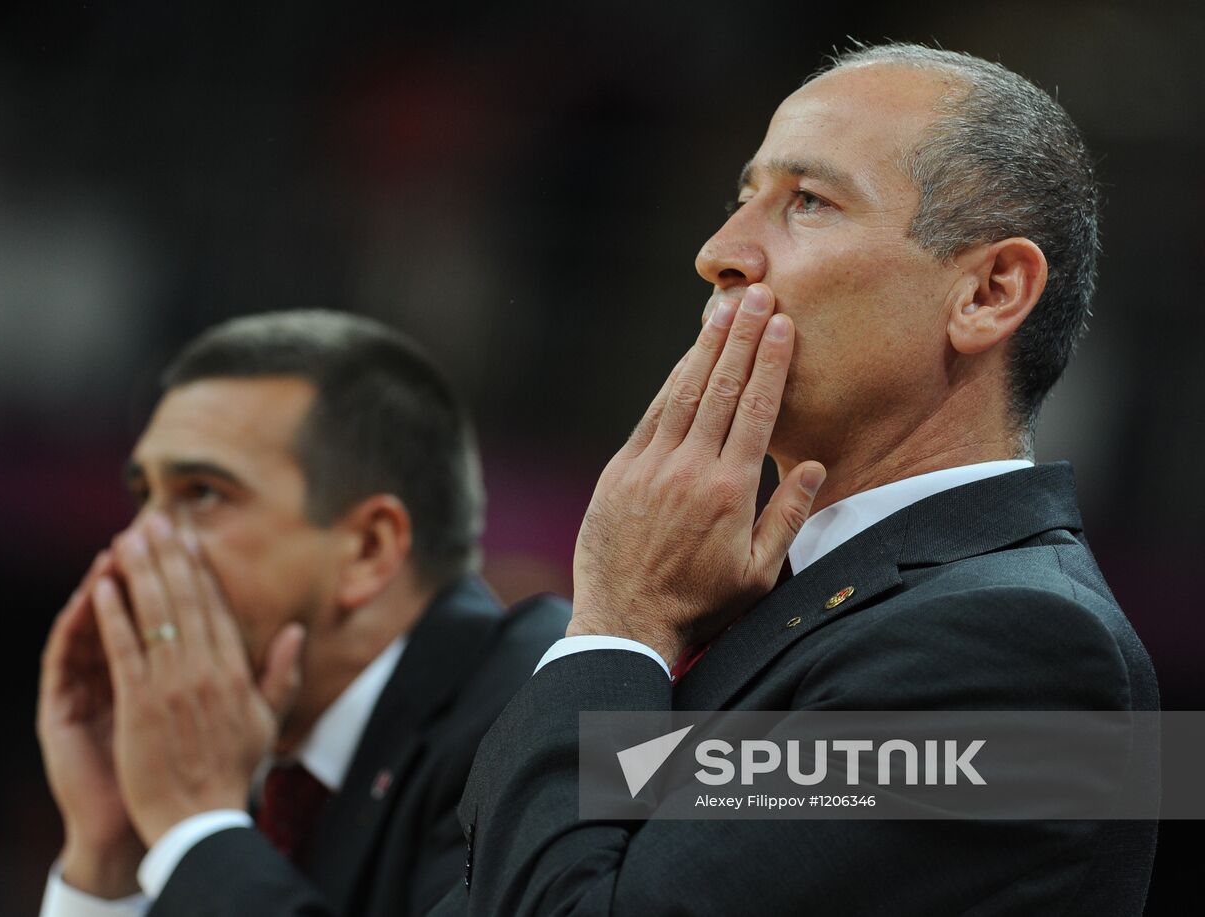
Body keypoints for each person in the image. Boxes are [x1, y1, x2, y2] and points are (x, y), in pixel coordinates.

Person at [434, 43, 1158, 916]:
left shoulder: (1018, 647)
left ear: (990, 292)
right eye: (743, 199)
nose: (720, 252)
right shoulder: (764, 599)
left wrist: (615, 624)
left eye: (808, 202)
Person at [35, 310, 569, 917]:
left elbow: (692, 787)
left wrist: (199, 829)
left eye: (202, 493)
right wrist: (110, 856)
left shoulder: (562, 706)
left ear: (368, 549)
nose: (135, 546)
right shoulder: (244, 759)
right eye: (143, 497)